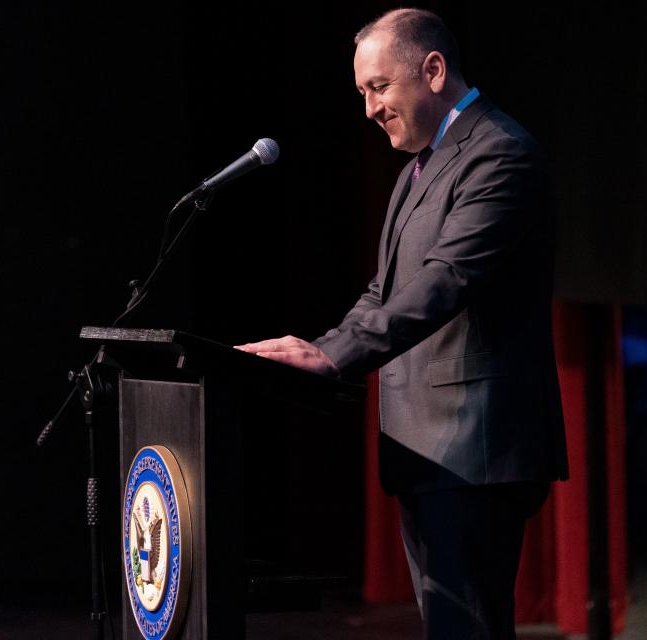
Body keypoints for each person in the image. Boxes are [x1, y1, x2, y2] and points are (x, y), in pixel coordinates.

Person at [236, 8, 568, 640]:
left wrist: (336, 357)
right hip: (428, 450)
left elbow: (447, 280)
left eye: (378, 87)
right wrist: (319, 349)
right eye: (362, 92)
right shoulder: (416, 170)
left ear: (433, 70)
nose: (368, 109)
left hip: (475, 447)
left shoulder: (500, 153)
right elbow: (381, 292)